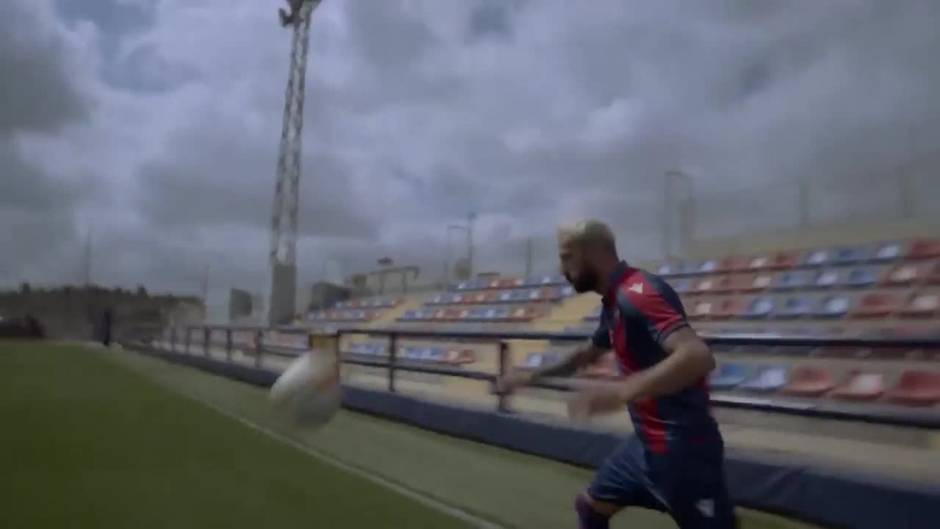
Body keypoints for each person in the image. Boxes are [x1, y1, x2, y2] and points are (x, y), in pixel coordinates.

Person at [497, 220, 737, 529]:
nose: (561, 268)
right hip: (644, 448)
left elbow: (696, 355)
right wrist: (528, 376)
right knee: (590, 507)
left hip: (684, 452)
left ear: (595, 252)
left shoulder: (638, 291)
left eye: (567, 256)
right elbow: (585, 355)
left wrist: (621, 393)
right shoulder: (613, 302)